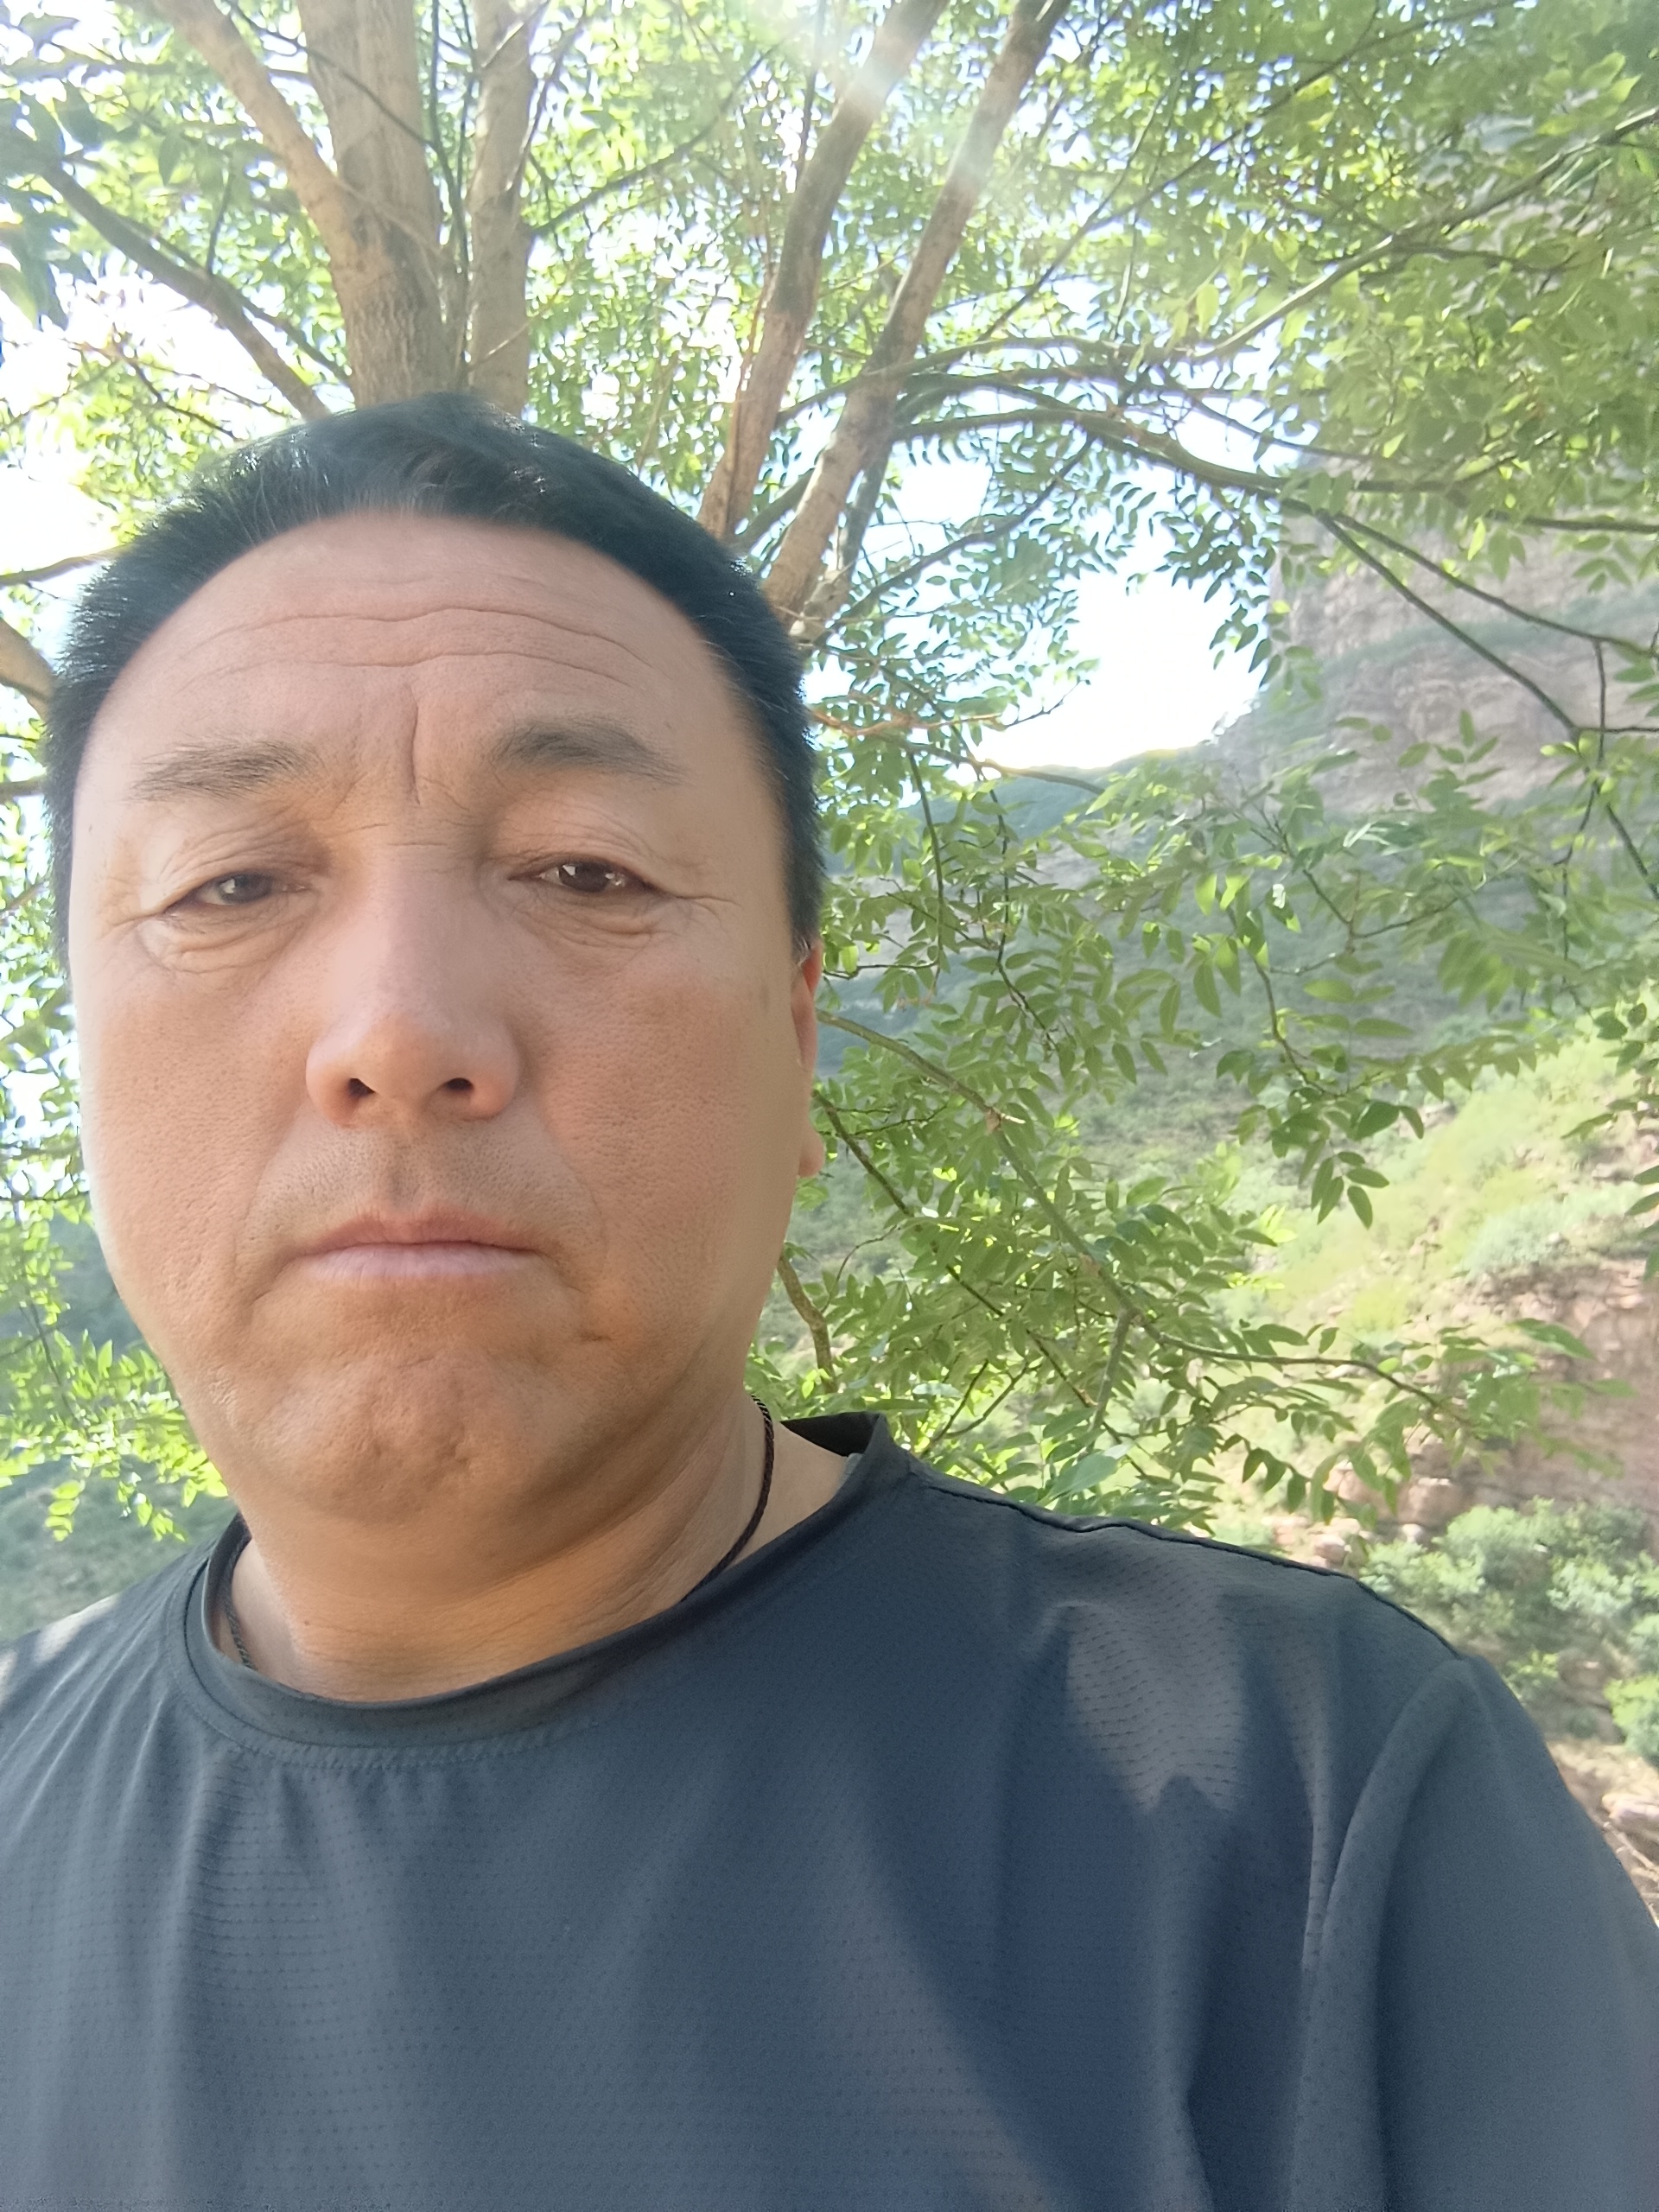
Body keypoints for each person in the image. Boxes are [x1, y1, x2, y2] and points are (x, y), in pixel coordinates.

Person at [0, 393, 1654, 2212]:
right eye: (231, 881)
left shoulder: (1311, 1814)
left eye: (587, 869)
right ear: (77, 1044)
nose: (399, 1030)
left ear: (795, 1042)